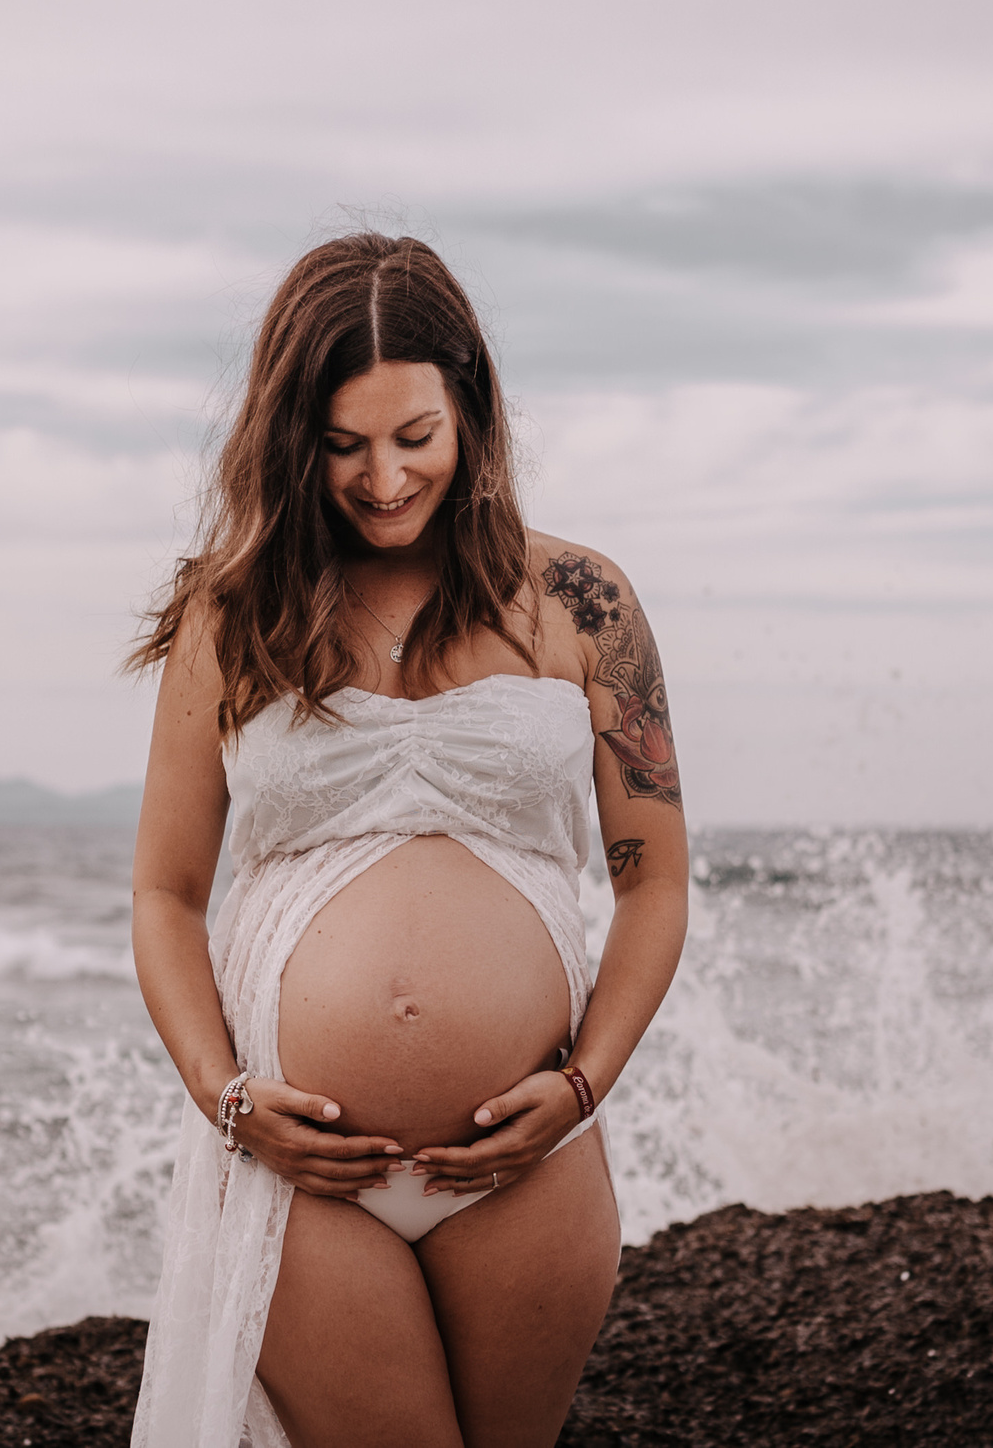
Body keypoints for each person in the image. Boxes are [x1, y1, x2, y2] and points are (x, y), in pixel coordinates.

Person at [125, 233, 689, 1448]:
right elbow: (165, 894)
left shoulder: (583, 602)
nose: (383, 479)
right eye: (342, 445)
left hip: (524, 1167)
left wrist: (583, 1087)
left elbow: (654, 885)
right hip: (303, 1175)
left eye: (414, 436)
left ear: (471, 413)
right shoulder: (233, 612)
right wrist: (225, 1097)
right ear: (290, 439)